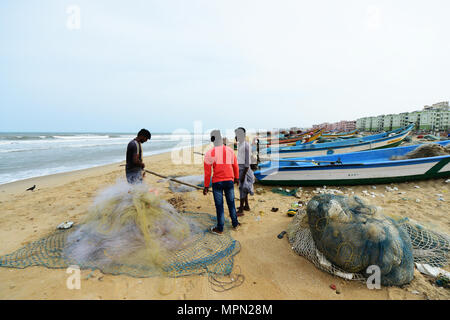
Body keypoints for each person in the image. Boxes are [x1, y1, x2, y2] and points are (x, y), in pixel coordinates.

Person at [203, 129, 240, 235]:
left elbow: (207, 173)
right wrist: (236, 178)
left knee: (219, 206)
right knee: (231, 203)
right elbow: (235, 166)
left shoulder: (209, 153)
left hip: (217, 183)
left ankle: (220, 228)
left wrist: (206, 186)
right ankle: (235, 223)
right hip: (229, 181)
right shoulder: (230, 151)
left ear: (213, 140)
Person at [235, 127, 255, 215]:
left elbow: (247, 162)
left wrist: (243, 175)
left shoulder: (246, 146)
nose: (236, 136)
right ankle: (246, 206)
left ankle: (241, 210)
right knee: (244, 188)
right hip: (241, 169)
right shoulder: (240, 144)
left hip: (244, 170)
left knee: (243, 188)